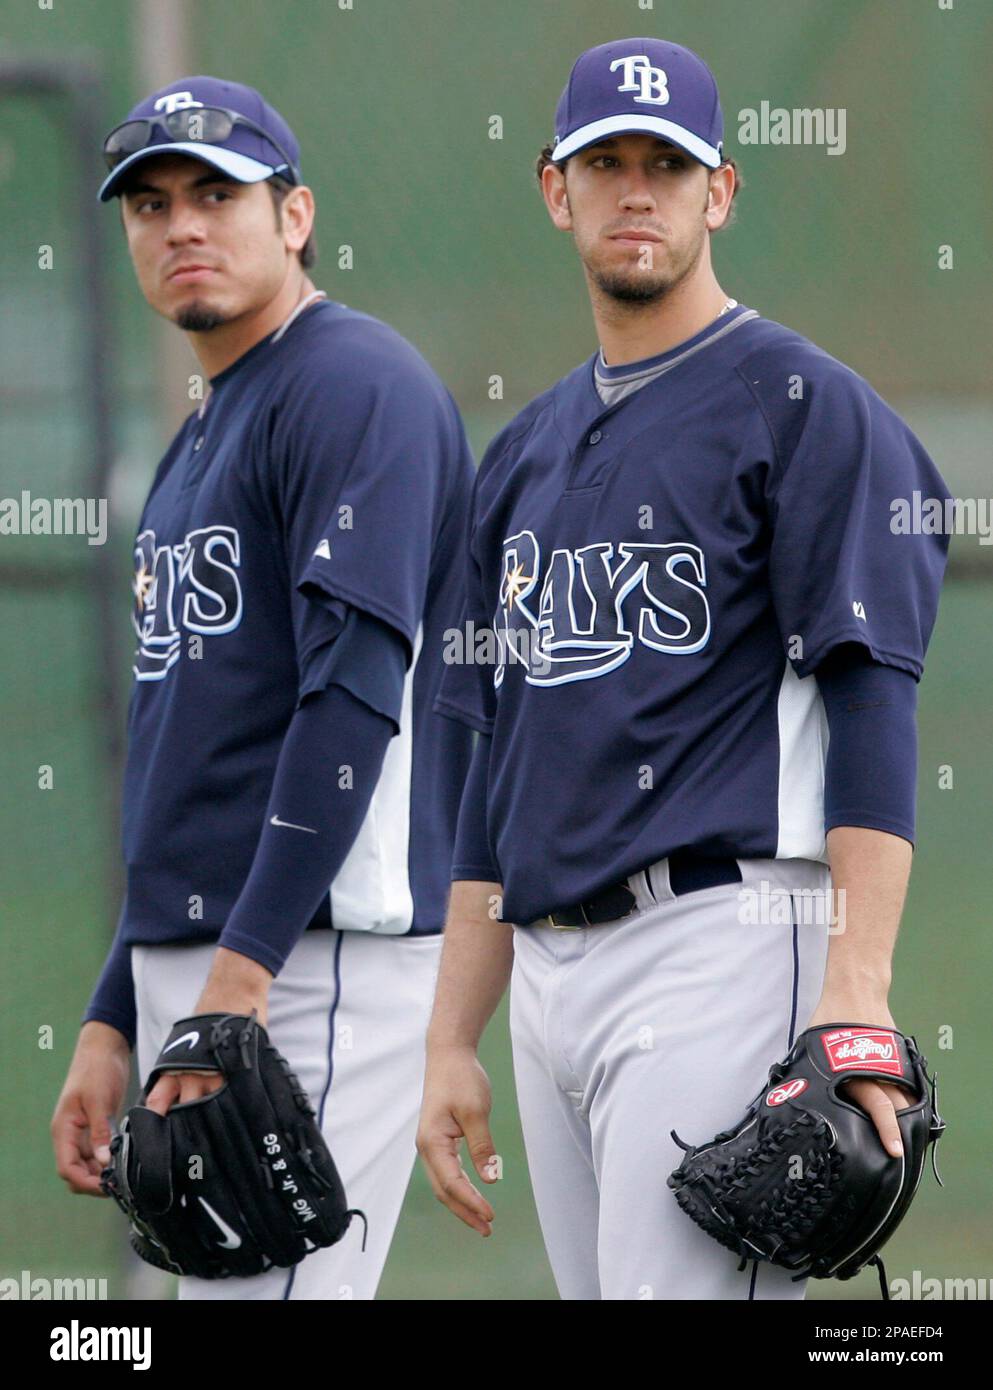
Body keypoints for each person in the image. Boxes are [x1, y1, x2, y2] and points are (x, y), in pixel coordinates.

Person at [418, 37, 951, 1300]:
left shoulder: (804, 405)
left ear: (722, 193)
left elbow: (873, 706)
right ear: (558, 189)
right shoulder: (524, 456)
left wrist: (853, 1000)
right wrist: (449, 1035)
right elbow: (496, 770)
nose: (638, 189)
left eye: (671, 163)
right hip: (545, 977)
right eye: (609, 162)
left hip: (717, 938)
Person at [50, 76, 474, 1301]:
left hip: (310, 955)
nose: (180, 223)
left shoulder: (353, 387)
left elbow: (352, 703)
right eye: (149, 201)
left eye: (216, 193)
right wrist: (113, 1014)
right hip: (220, 960)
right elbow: (183, 751)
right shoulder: (201, 436)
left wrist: (239, 986)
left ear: (295, 217)